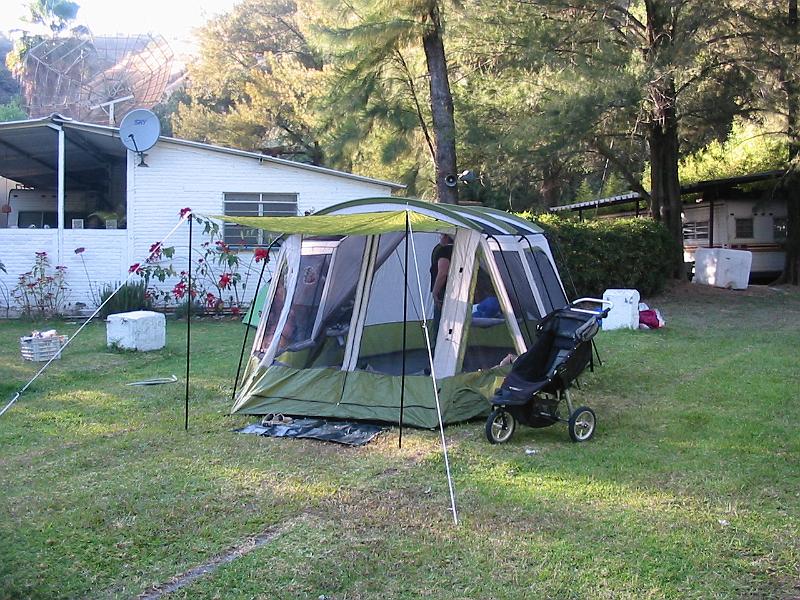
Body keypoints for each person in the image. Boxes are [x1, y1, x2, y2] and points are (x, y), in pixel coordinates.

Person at [429, 233, 453, 337]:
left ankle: (438, 350)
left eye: (442, 235)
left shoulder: (443, 252)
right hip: (455, 291)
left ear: (447, 237)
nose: (440, 237)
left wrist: (435, 292)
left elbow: (443, 272)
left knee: (440, 326)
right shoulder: (460, 250)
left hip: (443, 293)